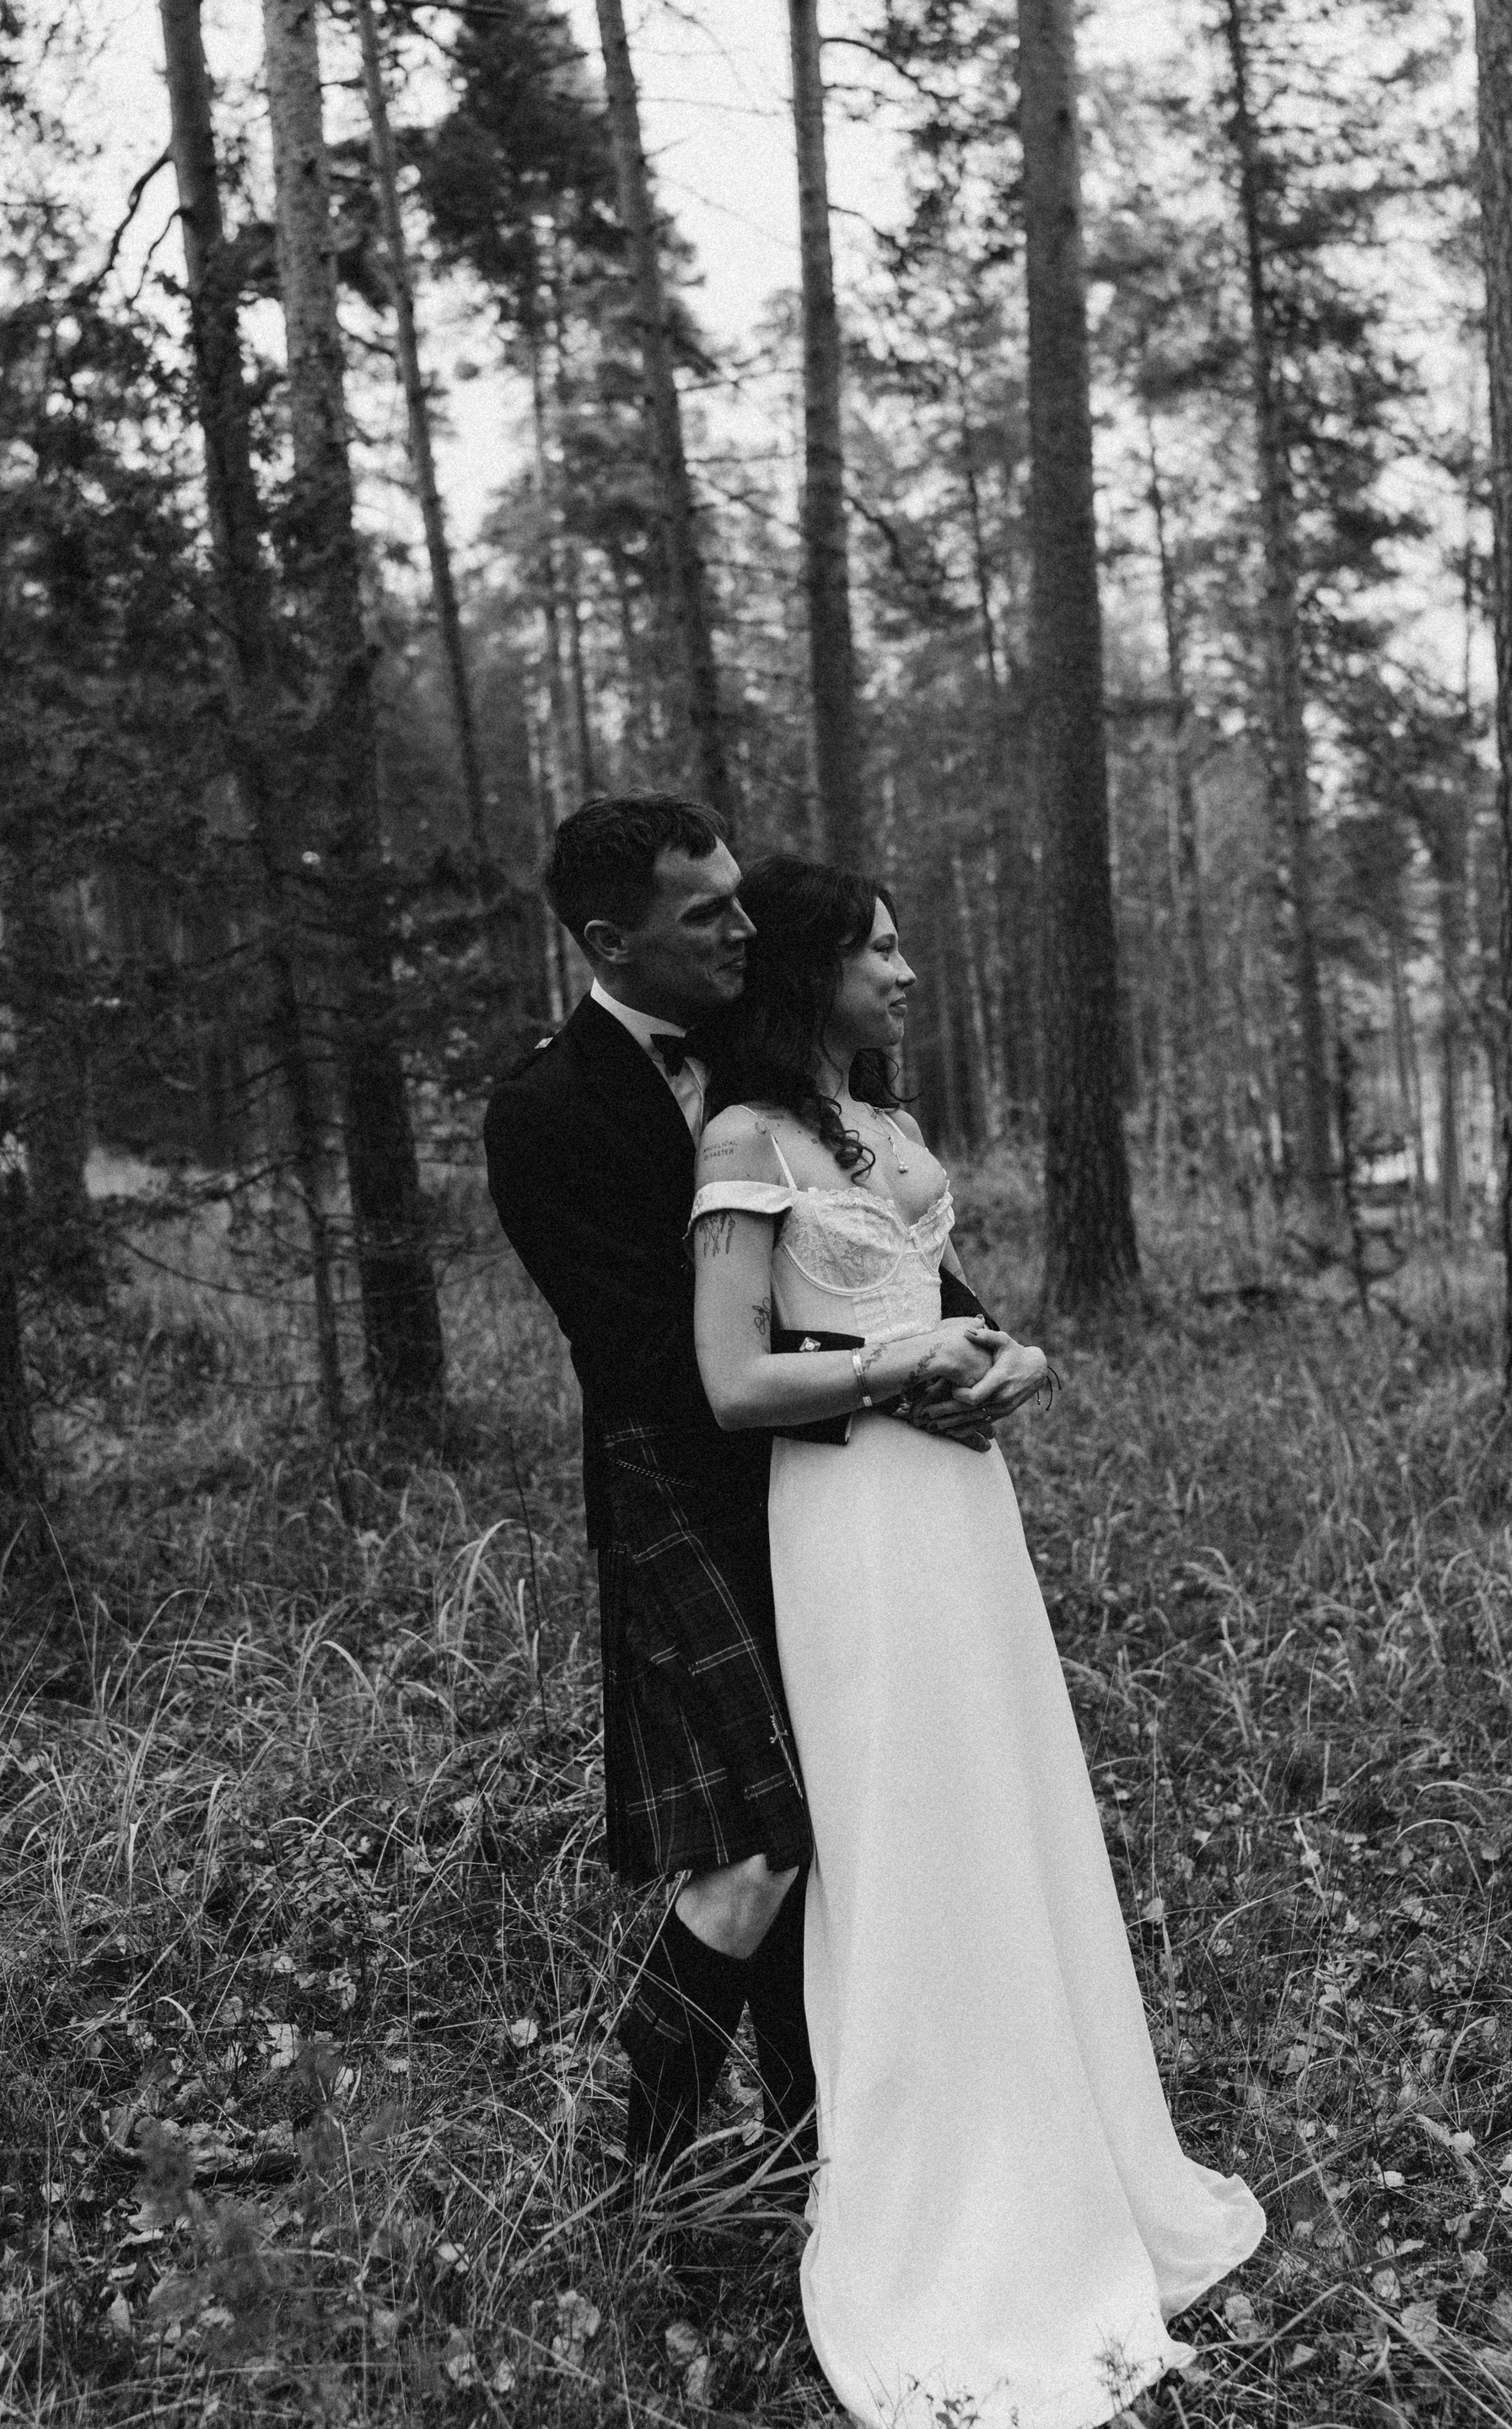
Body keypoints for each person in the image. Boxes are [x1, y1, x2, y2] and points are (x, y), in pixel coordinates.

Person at [689, 856, 1266, 2429]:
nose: (905, 971)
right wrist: (896, 1366)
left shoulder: (882, 1128)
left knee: (1004, 1803)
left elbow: (950, 1307)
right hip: (854, 1518)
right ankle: (944, 2205)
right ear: (809, 970)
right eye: (878, 949)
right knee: (907, 1826)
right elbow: (733, 1384)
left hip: (962, 1505)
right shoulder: (743, 1140)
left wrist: (1021, 1360)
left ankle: (1066, 2146)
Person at [482, 794, 818, 2175]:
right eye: (708, 912)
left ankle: (813, 2153)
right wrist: (853, 1377)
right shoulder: (543, 1112)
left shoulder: (768, 1052)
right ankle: (654, 2157)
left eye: (739, 897)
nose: (745, 929)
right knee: (762, 1838)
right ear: (611, 942)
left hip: (826, 1487)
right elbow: (633, 1352)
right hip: (675, 1488)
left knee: (817, 1834)